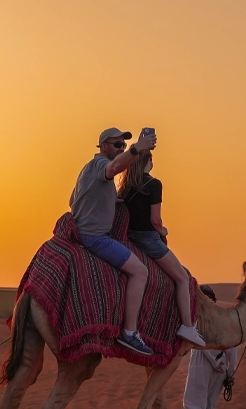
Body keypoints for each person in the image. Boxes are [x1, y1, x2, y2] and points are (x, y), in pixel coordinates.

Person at [70, 127, 203, 356]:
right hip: (97, 238)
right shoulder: (103, 166)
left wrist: (111, 199)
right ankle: (130, 332)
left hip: (93, 232)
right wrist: (136, 148)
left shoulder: (88, 169)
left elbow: (73, 199)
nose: (121, 148)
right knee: (141, 272)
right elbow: (113, 168)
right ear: (103, 146)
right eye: (117, 145)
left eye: (124, 145)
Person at [118, 149, 205, 347]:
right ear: (150, 160)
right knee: (182, 278)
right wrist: (163, 231)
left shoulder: (125, 187)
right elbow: (155, 220)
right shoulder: (154, 184)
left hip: (129, 236)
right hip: (148, 238)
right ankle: (187, 326)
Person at [176, 285, 237, 409]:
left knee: (192, 405)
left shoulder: (199, 318)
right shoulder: (224, 319)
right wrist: (230, 372)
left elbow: (201, 341)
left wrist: (217, 362)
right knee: (208, 408)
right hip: (221, 370)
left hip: (202, 366)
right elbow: (233, 344)